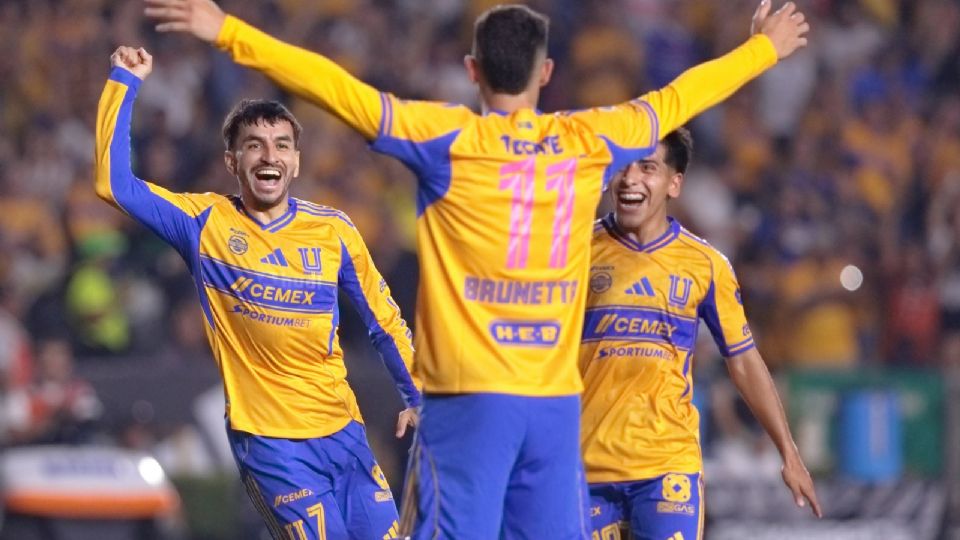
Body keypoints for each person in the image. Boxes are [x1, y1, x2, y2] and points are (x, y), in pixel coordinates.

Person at [144, 1, 810, 538]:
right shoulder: (591, 139)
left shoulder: (445, 138)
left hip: (469, 403)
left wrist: (226, 30)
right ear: (546, 73)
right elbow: (681, 95)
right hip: (553, 408)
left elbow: (337, 90)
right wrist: (764, 49)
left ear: (472, 70)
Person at [95, 46, 420, 540]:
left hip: (344, 435)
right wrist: (125, 80)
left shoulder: (334, 231)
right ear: (233, 160)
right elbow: (115, 184)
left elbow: (384, 320)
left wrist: (416, 395)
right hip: (272, 444)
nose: (270, 155)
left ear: (296, 162)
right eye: (255, 145)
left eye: (282, 145)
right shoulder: (204, 223)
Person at [580, 128, 822, 540]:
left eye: (647, 168)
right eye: (623, 167)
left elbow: (743, 362)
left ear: (674, 183)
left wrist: (789, 451)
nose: (631, 178)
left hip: (666, 467)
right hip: (583, 468)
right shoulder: (575, 251)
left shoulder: (706, 265)